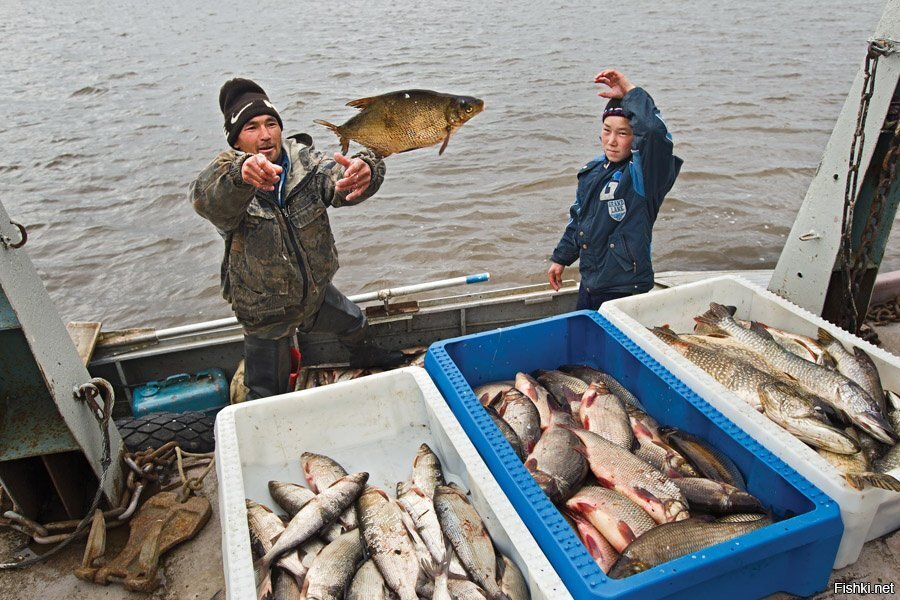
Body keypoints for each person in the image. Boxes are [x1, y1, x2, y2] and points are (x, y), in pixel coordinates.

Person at [190, 78, 402, 401]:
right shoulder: (228, 177)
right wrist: (242, 175)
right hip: (266, 312)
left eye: (270, 123)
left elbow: (338, 180)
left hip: (314, 293)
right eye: (251, 127)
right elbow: (205, 198)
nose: (265, 135)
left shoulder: (305, 163)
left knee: (356, 323)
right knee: (264, 396)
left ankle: (363, 356)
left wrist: (366, 170)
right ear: (235, 142)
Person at [548, 69, 683, 310]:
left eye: (623, 133)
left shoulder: (644, 176)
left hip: (625, 288)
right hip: (590, 283)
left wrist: (631, 92)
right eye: (607, 130)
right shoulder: (592, 171)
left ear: (635, 138)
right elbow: (579, 220)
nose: (612, 140)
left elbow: (653, 131)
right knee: (587, 341)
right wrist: (561, 258)